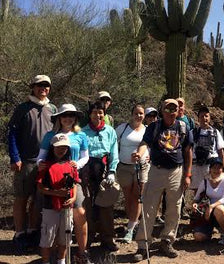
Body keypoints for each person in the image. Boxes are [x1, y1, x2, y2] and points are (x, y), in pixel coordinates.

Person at [131, 99, 192, 262]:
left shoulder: (183, 127)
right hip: (156, 171)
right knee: (149, 208)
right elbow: (145, 143)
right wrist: (139, 153)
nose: (171, 112)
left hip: (176, 171)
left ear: (178, 111)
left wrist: (187, 174)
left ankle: (167, 241)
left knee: (174, 209)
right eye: (168, 109)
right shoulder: (154, 127)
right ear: (162, 110)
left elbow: (188, 151)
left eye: (174, 109)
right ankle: (143, 245)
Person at [37, 103, 91, 263]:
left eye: (71, 115)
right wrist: (41, 165)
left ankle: (82, 252)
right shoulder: (50, 135)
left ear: (75, 118)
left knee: (79, 212)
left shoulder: (80, 135)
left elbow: (85, 156)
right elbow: (41, 157)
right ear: (59, 118)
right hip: (52, 179)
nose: (68, 118)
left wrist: (77, 165)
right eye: (64, 115)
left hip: (73, 179)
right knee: (53, 215)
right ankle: (53, 254)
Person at [8, 74, 56, 252]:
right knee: (21, 198)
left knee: (37, 199)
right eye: (39, 85)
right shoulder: (23, 108)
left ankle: (32, 231)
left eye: (46, 85)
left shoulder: (52, 108)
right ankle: (19, 234)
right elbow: (12, 133)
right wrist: (15, 157)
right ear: (33, 87)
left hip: (45, 163)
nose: (43, 88)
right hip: (26, 162)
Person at [81, 101, 119, 252]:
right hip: (86, 171)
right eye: (94, 112)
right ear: (89, 114)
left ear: (104, 114)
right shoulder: (82, 132)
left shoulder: (110, 131)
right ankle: (87, 238)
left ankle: (107, 239)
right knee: (87, 205)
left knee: (106, 206)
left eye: (100, 112)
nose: (98, 115)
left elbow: (114, 153)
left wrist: (112, 172)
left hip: (104, 170)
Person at [36, 133, 79, 264]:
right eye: (58, 147)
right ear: (52, 148)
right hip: (50, 207)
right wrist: (56, 193)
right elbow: (40, 187)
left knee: (64, 238)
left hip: (67, 207)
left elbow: (74, 184)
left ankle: (61, 261)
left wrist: (73, 198)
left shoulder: (71, 165)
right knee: (47, 237)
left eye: (64, 147)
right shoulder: (45, 165)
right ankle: (46, 261)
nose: (61, 150)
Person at [115, 104, 149, 243]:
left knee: (137, 196)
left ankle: (130, 229)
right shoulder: (122, 128)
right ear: (131, 114)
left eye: (141, 113)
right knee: (128, 196)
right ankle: (132, 224)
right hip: (124, 167)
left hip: (141, 167)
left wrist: (146, 155)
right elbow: (113, 143)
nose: (138, 116)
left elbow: (150, 145)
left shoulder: (147, 130)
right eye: (136, 113)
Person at [192, 158, 224, 245]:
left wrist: (211, 206)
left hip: (222, 211)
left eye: (219, 168)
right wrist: (194, 204)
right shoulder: (205, 182)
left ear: (222, 169)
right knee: (198, 237)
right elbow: (196, 198)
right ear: (210, 169)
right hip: (206, 213)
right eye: (214, 168)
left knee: (219, 209)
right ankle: (208, 232)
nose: (216, 170)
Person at [190, 105, 224, 193]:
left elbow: (221, 152)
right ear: (198, 118)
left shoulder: (215, 132)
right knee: (197, 191)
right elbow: (188, 151)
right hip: (196, 167)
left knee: (212, 190)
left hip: (211, 167)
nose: (204, 118)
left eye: (206, 116)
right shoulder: (192, 132)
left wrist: (223, 170)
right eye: (201, 116)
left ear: (209, 118)